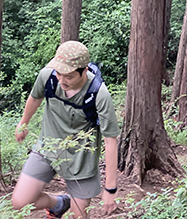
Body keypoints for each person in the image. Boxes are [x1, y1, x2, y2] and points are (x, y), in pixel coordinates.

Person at [12, 41, 120, 218]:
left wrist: (111, 188)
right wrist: (23, 123)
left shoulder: (98, 93)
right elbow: (35, 98)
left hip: (81, 159)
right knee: (19, 202)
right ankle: (59, 203)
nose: (62, 80)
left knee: (77, 217)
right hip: (48, 148)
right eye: (59, 73)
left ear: (84, 71)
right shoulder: (48, 76)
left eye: (68, 76)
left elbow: (110, 141)